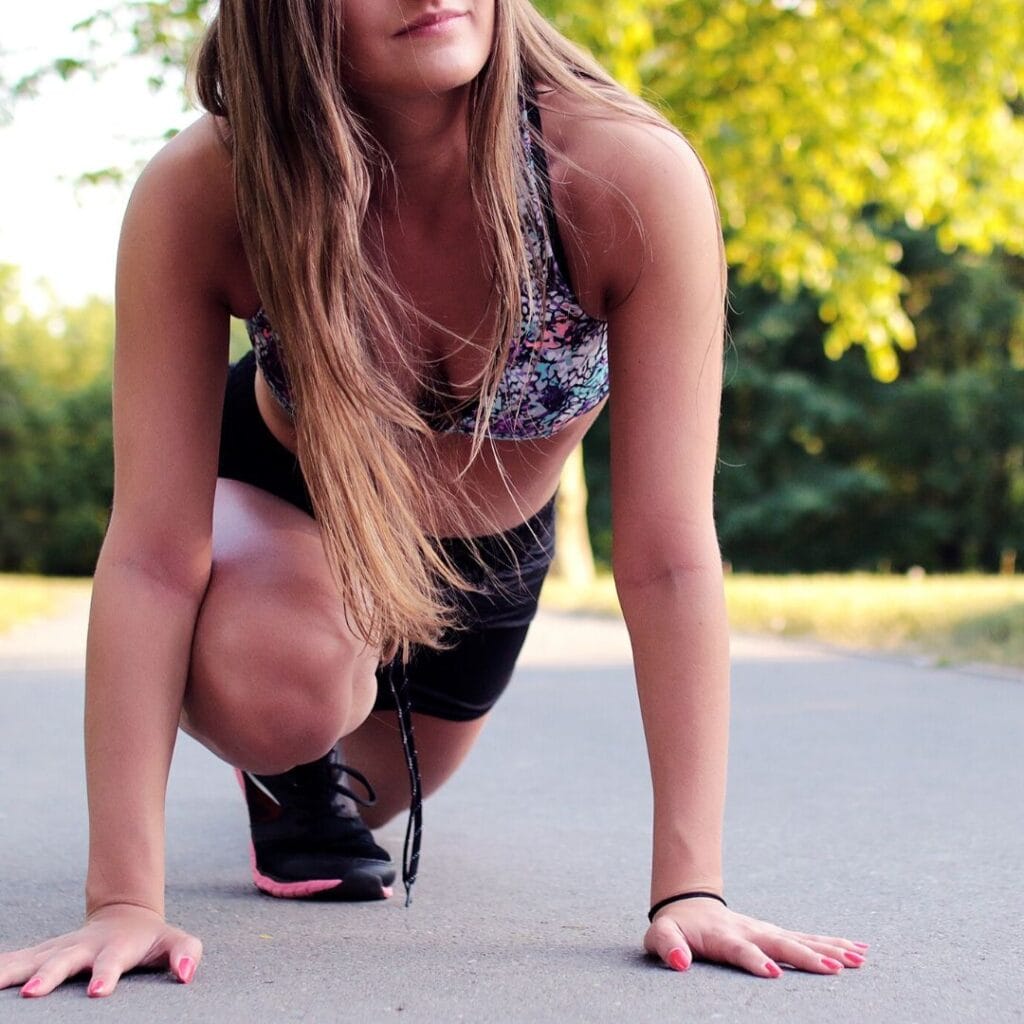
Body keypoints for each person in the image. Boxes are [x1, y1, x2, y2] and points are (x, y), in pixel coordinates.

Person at [0, 0, 869, 1000]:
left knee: (383, 797)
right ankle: (285, 729)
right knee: (290, 686)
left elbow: (669, 553)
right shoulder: (208, 186)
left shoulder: (621, 172)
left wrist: (692, 891)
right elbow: (152, 554)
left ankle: (291, 780)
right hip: (289, 501)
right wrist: (122, 900)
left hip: (486, 554)